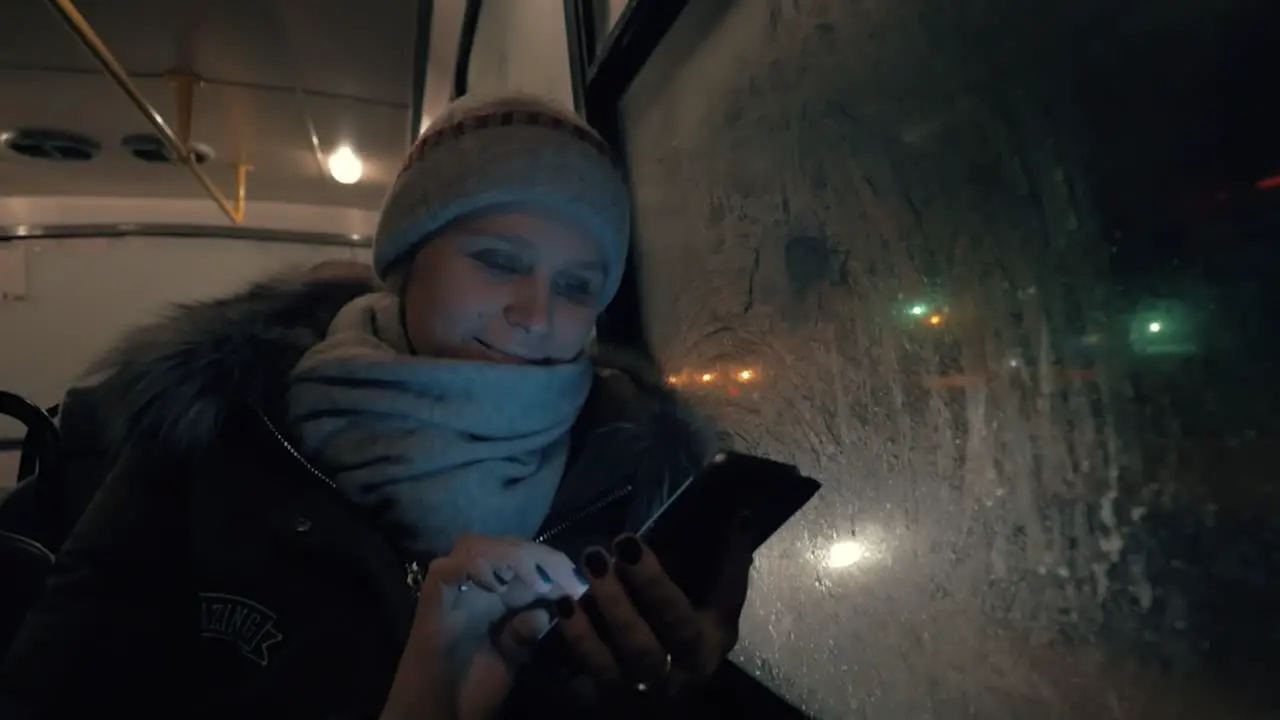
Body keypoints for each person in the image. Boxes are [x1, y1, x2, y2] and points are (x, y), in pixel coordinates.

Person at [0, 94, 754, 719]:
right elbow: (60, 686)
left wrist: (673, 692)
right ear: (408, 259)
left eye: (576, 285)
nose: (535, 311)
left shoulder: (636, 472)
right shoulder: (218, 418)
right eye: (498, 262)